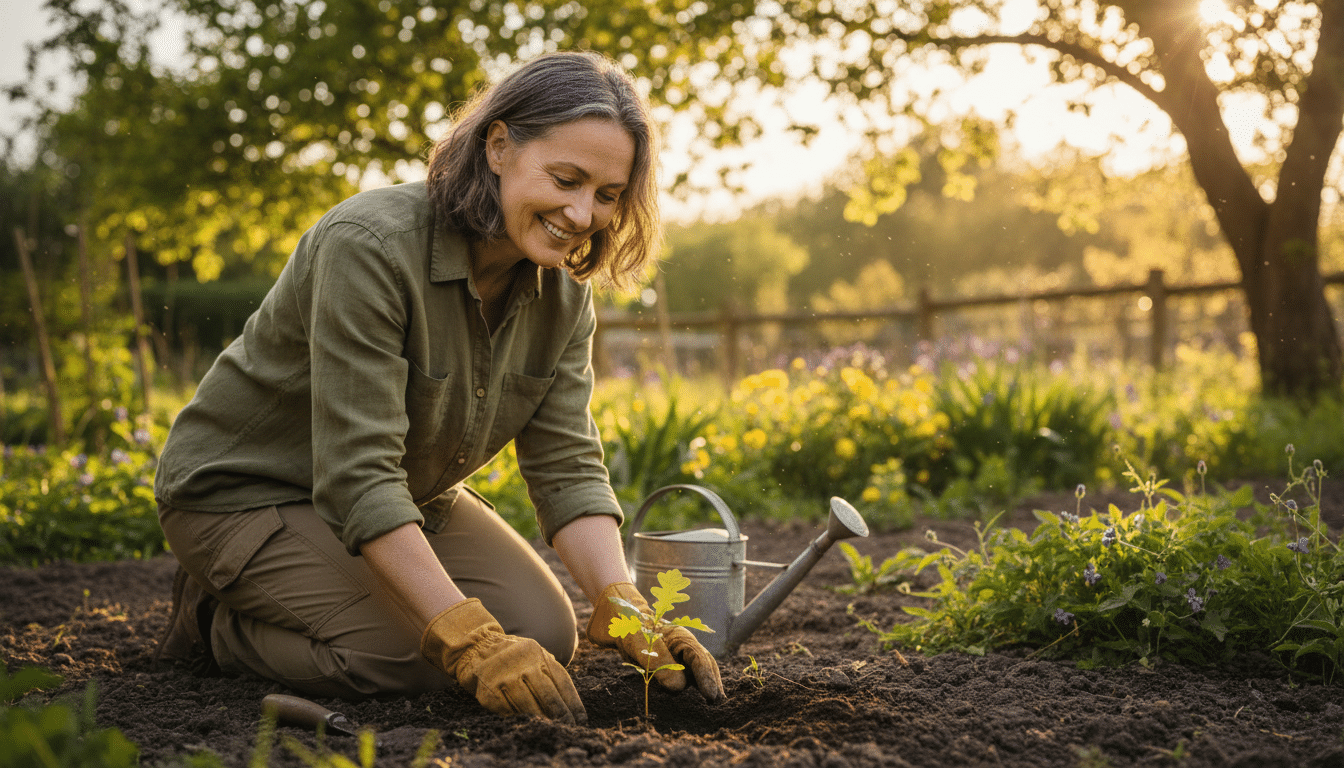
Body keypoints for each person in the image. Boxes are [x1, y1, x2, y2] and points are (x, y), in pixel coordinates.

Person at [153, 50, 724, 724]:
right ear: (500, 146)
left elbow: (566, 464)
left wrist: (622, 605)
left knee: (546, 634)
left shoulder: (563, 295)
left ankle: (335, 598)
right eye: (566, 178)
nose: (581, 213)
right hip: (244, 497)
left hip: (401, 498)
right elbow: (357, 475)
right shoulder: (367, 246)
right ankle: (215, 621)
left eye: (607, 195)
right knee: (414, 653)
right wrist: (471, 640)